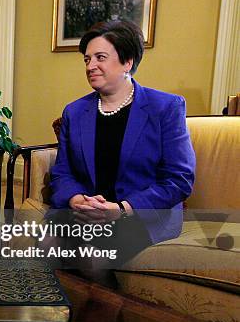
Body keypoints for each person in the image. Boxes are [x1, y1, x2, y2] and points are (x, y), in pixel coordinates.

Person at [49, 20, 196, 265]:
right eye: (87, 59)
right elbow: (62, 173)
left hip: (140, 214)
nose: (91, 66)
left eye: (100, 57)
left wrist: (121, 209)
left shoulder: (165, 107)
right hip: (86, 212)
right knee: (44, 242)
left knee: (93, 257)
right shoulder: (74, 111)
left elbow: (179, 179)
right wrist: (76, 200)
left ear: (127, 62)